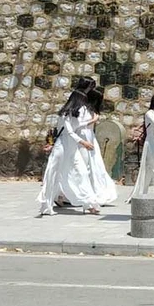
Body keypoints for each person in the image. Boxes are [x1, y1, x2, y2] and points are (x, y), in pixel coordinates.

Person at [37, 77, 101, 215]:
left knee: (82, 173)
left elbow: (78, 127)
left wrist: (91, 121)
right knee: (53, 175)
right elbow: (69, 132)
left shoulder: (76, 114)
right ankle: (46, 205)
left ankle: (89, 204)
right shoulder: (65, 115)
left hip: (72, 149)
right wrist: (83, 142)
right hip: (62, 148)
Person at [78, 86, 117, 206]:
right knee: (85, 166)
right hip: (84, 138)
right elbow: (78, 125)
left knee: (96, 165)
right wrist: (93, 120)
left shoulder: (91, 109)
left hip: (91, 137)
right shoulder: (82, 109)